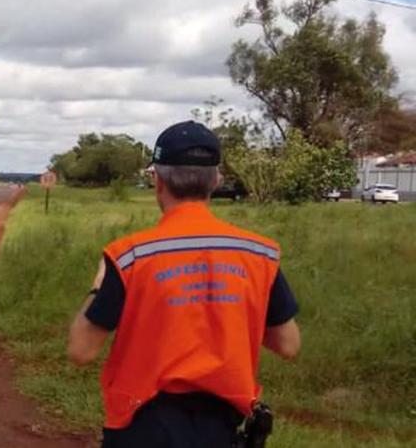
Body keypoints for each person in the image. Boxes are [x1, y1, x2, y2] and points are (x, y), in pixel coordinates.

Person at [67, 121, 301, 448]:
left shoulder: (131, 257)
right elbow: (287, 344)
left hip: (143, 428)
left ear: (157, 180)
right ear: (216, 181)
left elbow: (81, 349)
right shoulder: (259, 254)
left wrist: (97, 286)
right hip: (221, 429)